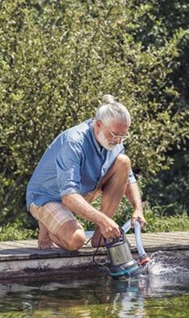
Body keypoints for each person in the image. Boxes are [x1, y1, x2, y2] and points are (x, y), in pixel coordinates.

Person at [26, 94, 147, 251]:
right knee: (76, 240)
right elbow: (68, 196)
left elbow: (128, 178)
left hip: (80, 191)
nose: (118, 141)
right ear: (98, 125)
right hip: (46, 197)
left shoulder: (115, 140)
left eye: (123, 136)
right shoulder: (74, 142)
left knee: (123, 162)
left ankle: (101, 238)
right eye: (115, 135)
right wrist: (103, 221)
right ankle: (48, 229)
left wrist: (138, 209)